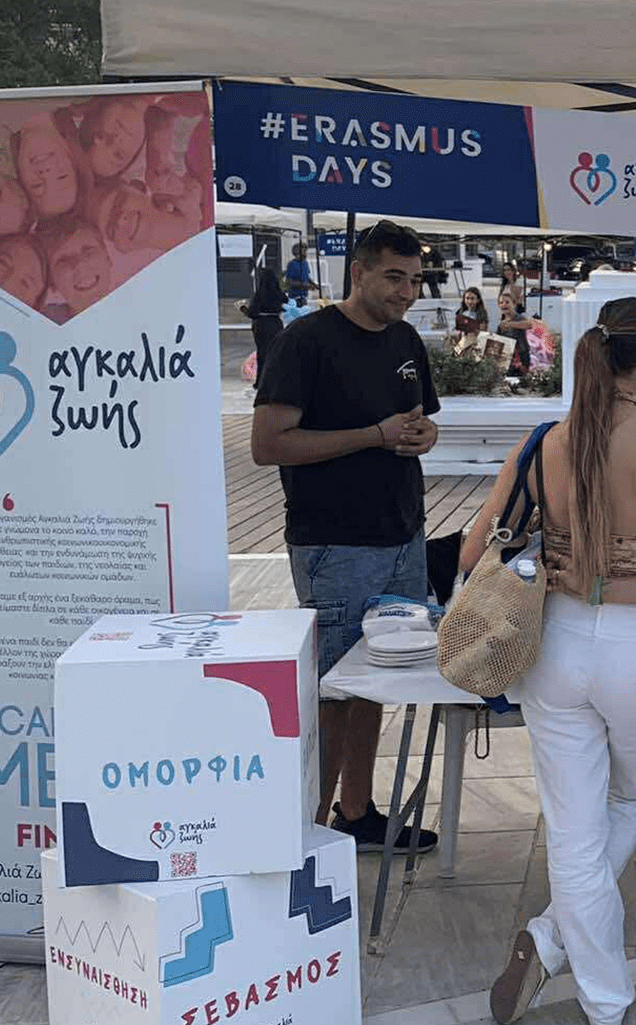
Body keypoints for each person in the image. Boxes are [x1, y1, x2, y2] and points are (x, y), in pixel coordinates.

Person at [476, 299, 636, 1025]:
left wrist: (575, 578)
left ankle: (603, 997)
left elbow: (479, 544)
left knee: (573, 830)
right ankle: (553, 942)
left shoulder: (547, 442)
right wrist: (610, 587)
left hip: (554, 641)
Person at [251, 219, 441, 854]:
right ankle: (306, 841)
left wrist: (424, 435)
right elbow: (267, 444)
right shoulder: (305, 342)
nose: (407, 292)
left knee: (378, 680)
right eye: (394, 277)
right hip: (334, 544)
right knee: (334, 690)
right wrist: (373, 436)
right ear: (356, 273)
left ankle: (356, 814)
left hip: (404, 535)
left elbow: (419, 422)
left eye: (415, 279)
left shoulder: (406, 339)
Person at [246, 257, 286, 392]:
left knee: (262, 353)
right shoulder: (278, 294)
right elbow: (286, 302)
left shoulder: (260, 295)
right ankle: (277, 380)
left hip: (262, 325)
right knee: (276, 352)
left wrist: (243, 308)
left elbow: (252, 313)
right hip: (276, 323)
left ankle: (261, 382)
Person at [496, 291, 538, 375]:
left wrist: (510, 324)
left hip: (522, 356)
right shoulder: (501, 323)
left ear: (514, 304)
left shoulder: (520, 318)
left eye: (507, 302)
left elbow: (530, 324)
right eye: (501, 303)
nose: (504, 304)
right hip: (508, 357)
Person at [284, 241, 316, 307]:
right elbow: (290, 282)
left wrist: (312, 283)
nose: (306, 254)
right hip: (295, 297)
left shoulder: (305, 263)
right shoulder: (292, 264)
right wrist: (305, 285)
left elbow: (306, 276)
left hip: (304, 296)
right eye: (304, 251)